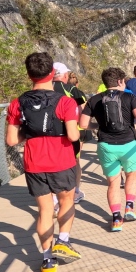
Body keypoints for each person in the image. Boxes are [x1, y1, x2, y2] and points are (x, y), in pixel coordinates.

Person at [6, 52, 82, 272]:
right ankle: (63, 241)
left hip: (34, 162)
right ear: (52, 73)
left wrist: (31, 132)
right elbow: (73, 135)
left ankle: (48, 260)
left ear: (29, 74)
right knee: (66, 201)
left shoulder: (17, 103)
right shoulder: (65, 102)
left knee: (45, 210)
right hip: (62, 159)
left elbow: (11, 140)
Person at [79, 67, 136, 232]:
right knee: (131, 175)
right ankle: (129, 207)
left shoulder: (94, 100)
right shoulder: (130, 97)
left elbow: (82, 124)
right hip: (129, 144)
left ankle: (116, 219)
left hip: (106, 146)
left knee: (113, 183)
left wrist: (98, 126)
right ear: (119, 81)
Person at [52, 62, 86, 205]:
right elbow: (83, 110)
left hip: (48, 133)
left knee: (53, 162)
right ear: (65, 75)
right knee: (75, 161)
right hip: (70, 131)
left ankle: (54, 197)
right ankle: (75, 191)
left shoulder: (44, 88)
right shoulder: (71, 89)